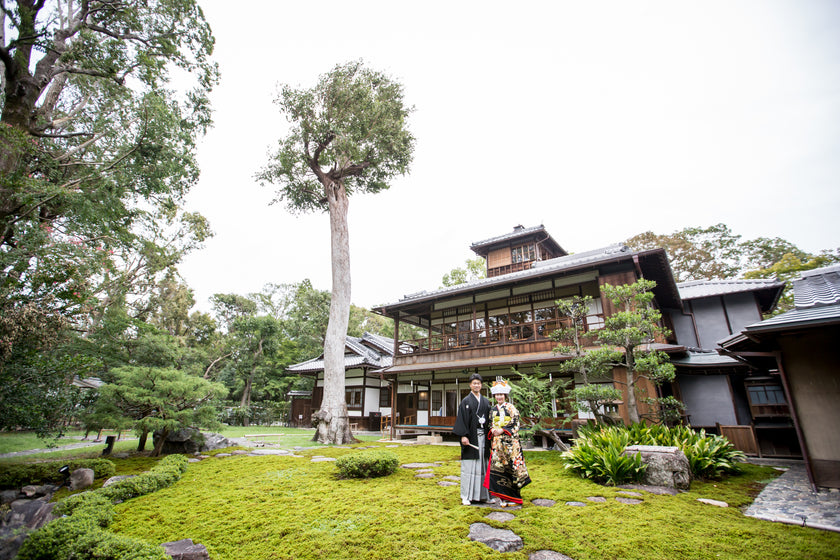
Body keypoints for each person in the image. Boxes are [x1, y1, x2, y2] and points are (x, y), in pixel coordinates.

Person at [484, 377, 531, 507]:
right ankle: (503, 498)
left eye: (501, 395)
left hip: (510, 445)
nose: (499, 397)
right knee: (499, 470)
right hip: (497, 445)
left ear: (505, 395)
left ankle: (514, 497)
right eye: (497, 395)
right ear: (495, 395)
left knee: (512, 468)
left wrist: (503, 430)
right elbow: (489, 424)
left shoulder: (511, 408)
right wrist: (493, 430)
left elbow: (515, 423)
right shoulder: (493, 410)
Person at [452, 373, 492, 506]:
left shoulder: (486, 401)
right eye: (474, 383)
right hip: (471, 438)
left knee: (484, 466)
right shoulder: (466, 401)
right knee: (469, 467)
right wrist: (463, 435)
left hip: (484, 438)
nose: (476, 385)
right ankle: (466, 496)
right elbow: (462, 419)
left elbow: (490, 420)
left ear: (481, 385)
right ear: (470, 385)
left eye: (479, 383)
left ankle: (484, 495)